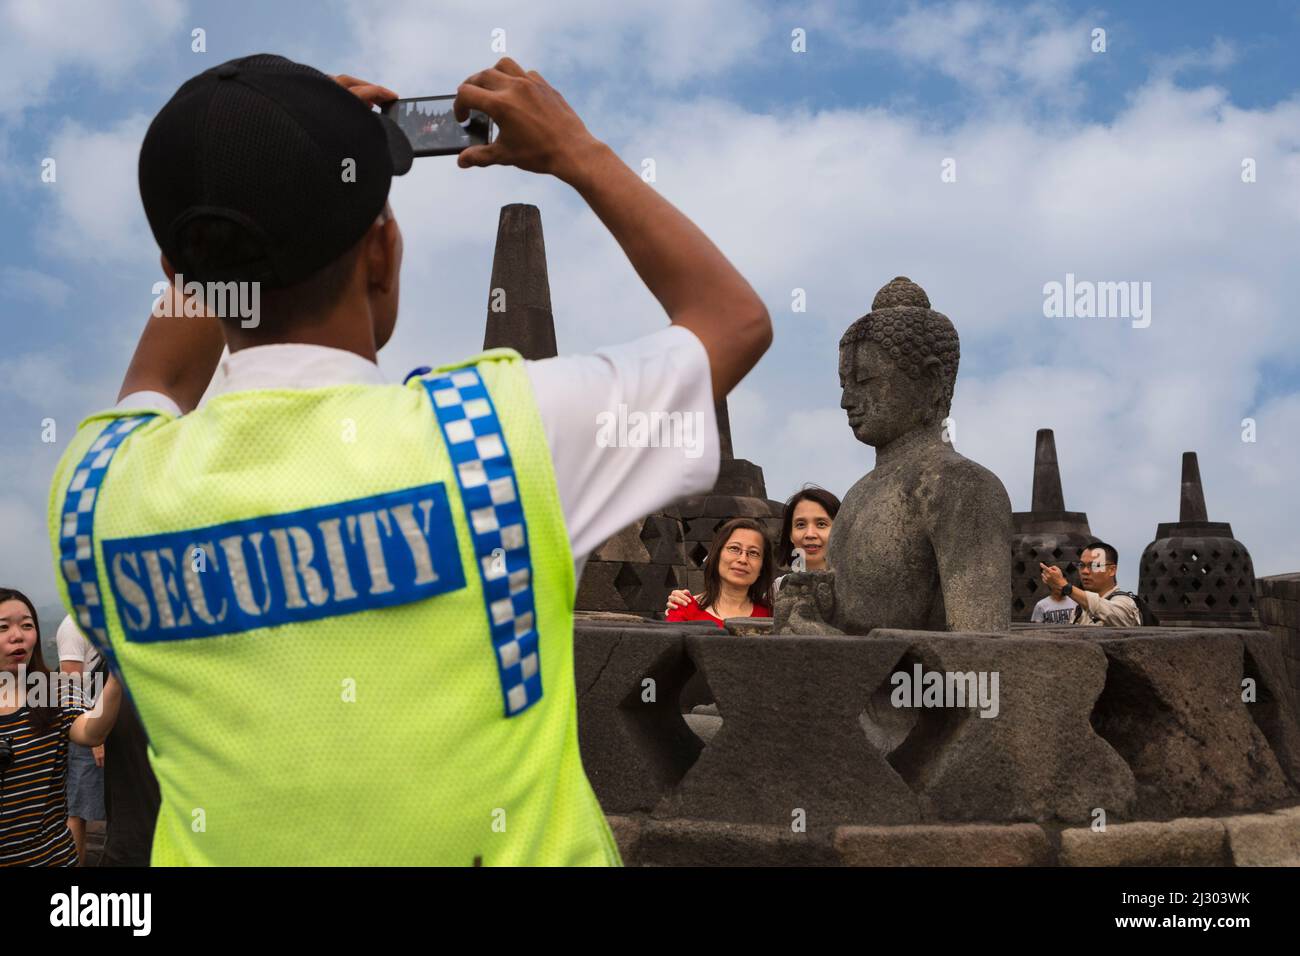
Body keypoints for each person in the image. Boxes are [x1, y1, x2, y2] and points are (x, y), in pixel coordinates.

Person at [45, 55, 770, 866]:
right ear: (384, 254)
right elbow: (731, 319)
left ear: (180, 277)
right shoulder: (500, 436)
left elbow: (156, 380)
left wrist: (245, 178)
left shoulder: (99, 492)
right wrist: (575, 151)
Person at [0, 589, 122, 867]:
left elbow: (91, 732)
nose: (17, 635)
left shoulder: (53, 691)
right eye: (3, 627)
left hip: (51, 859)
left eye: (27, 625)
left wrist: (118, 675)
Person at [665, 485, 840, 615]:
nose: (810, 534)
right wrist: (685, 603)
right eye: (800, 524)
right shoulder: (778, 590)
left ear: (840, 529)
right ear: (790, 535)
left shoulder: (855, 583)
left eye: (821, 524)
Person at [54, 615, 106, 865]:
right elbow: (71, 689)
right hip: (87, 732)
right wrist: (95, 738)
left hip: (112, 728)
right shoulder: (74, 626)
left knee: (118, 806)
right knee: (78, 811)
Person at [665, 518, 774, 627]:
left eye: (754, 553)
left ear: (762, 567)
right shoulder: (684, 608)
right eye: (734, 548)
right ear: (717, 556)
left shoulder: (771, 615)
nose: (743, 559)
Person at [1040, 541, 1141, 627]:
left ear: (1112, 570)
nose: (1085, 571)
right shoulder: (1079, 609)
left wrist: (1064, 586)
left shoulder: (1126, 603)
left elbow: (1111, 614)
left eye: (1094, 565)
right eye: (1081, 565)